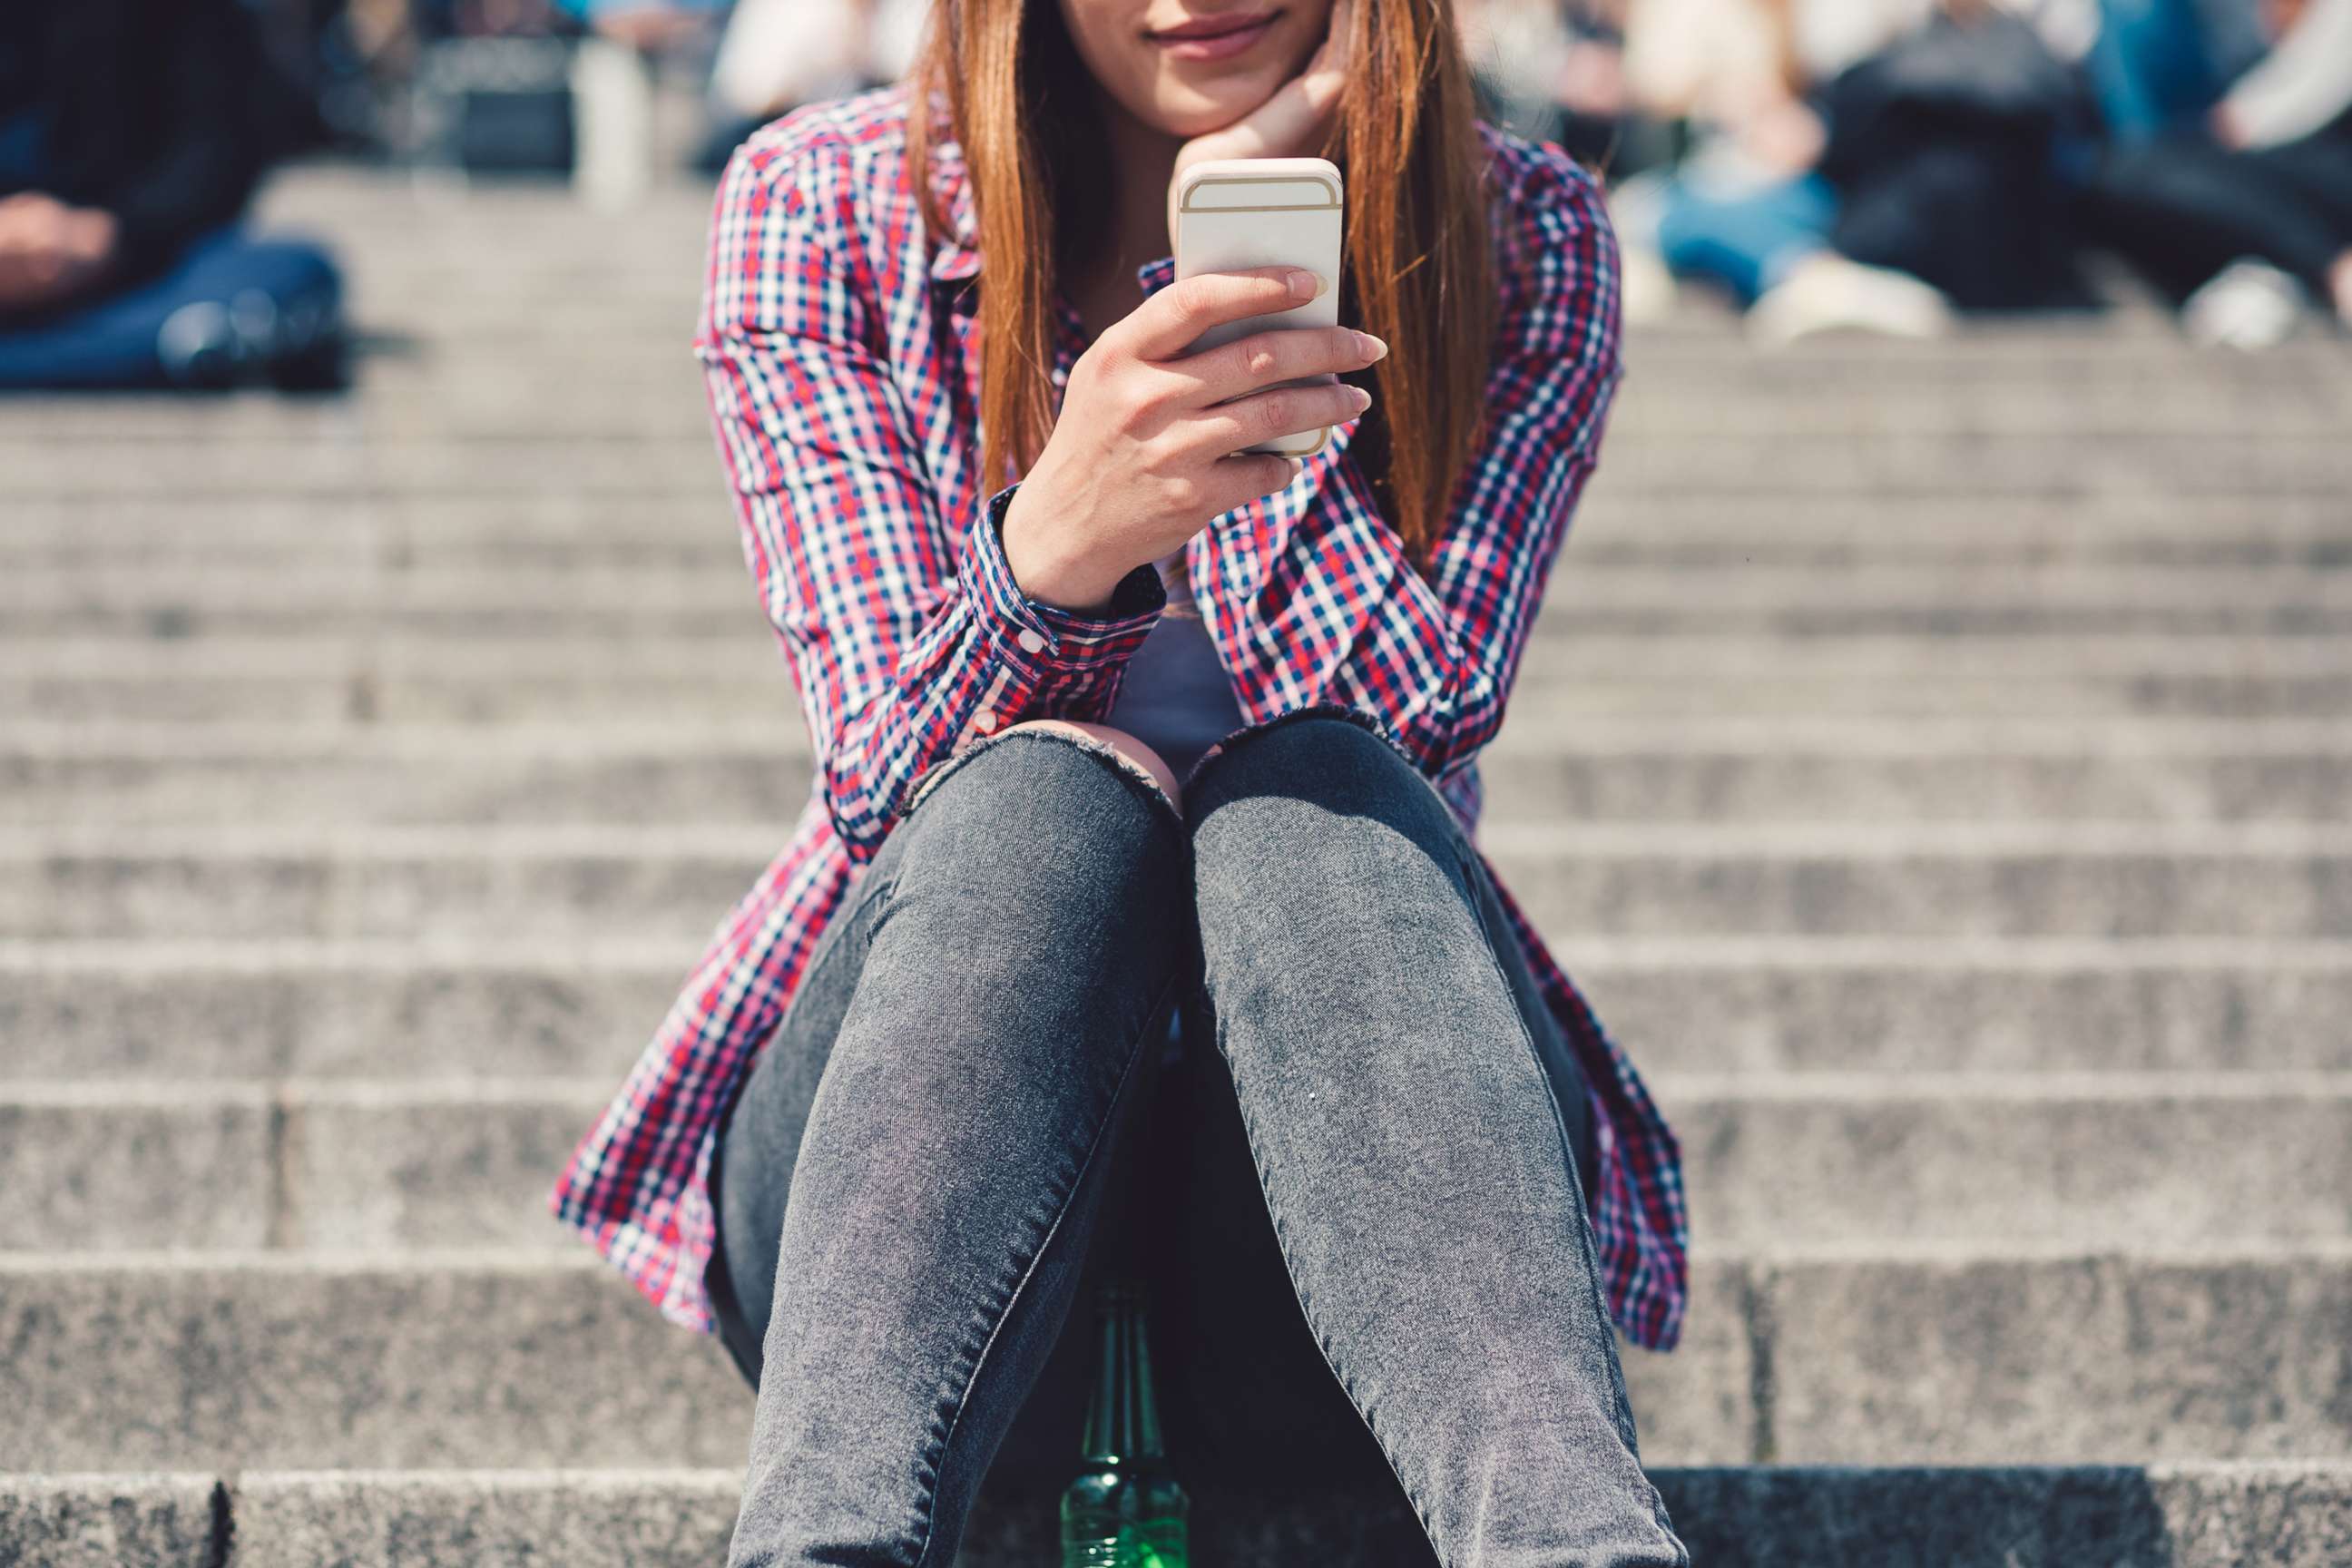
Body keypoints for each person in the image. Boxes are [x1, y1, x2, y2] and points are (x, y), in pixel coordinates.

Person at [550, 0, 1691, 1562]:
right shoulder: (822, 202)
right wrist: (1057, 551)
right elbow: (890, 772)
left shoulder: (1521, 230)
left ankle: (1574, 1545)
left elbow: (1421, 695)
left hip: (1351, 1242)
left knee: (1312, 795)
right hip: (914, 1221)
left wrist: (1235, 291)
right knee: (1044, 796)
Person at [0, 0, 345, 391]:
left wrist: (108, 236)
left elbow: (216, 156)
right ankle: (147, 357)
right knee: (244, 315)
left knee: (292, 273)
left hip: (121, 266)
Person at [2083, 0, 2352, 345]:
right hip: (2267, 165)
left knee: (2140, 172)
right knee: (2134, 173)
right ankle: (2297, 273)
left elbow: (2249, 121)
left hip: (2320, 160)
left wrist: (2238, 120)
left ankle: (2332, 269)